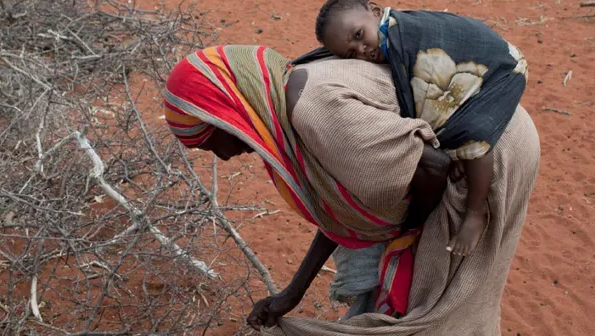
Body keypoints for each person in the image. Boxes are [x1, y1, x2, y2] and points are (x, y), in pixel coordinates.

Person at [164, 44, 540, 336]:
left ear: (227, 112)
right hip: (472, 143)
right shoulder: (285, 101)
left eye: (211, 143)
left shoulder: (312, 110)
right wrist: (292, 293)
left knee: (442, 308)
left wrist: (406, 232)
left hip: (485, 152)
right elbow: (343, 209)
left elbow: (434, 166)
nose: (222, 156)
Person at [314, 0, 528, 257]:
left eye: (359, 35)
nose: (362, 50)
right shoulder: (388, 36)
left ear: (375, 11)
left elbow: (425, 96)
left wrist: (451, 149)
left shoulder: (404, 36)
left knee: (473, 135)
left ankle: (475, 211)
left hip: (502, 68)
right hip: (485, 59)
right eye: (351, 54)